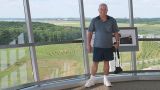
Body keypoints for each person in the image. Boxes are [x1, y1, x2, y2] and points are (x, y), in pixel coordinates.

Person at [85, 3, 120, 87]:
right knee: (95, 63)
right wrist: (88, 44)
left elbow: (116, 32)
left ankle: (106, 79)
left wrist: (117, 42)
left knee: (106, 63)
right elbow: (89, 33)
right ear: (98, 10)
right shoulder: (94, 20)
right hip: (97, 46)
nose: (103, 11)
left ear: (107, 10)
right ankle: (92, 80)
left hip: (108, 46)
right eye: (101, 9)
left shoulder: (112, 20)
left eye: (104, 9)